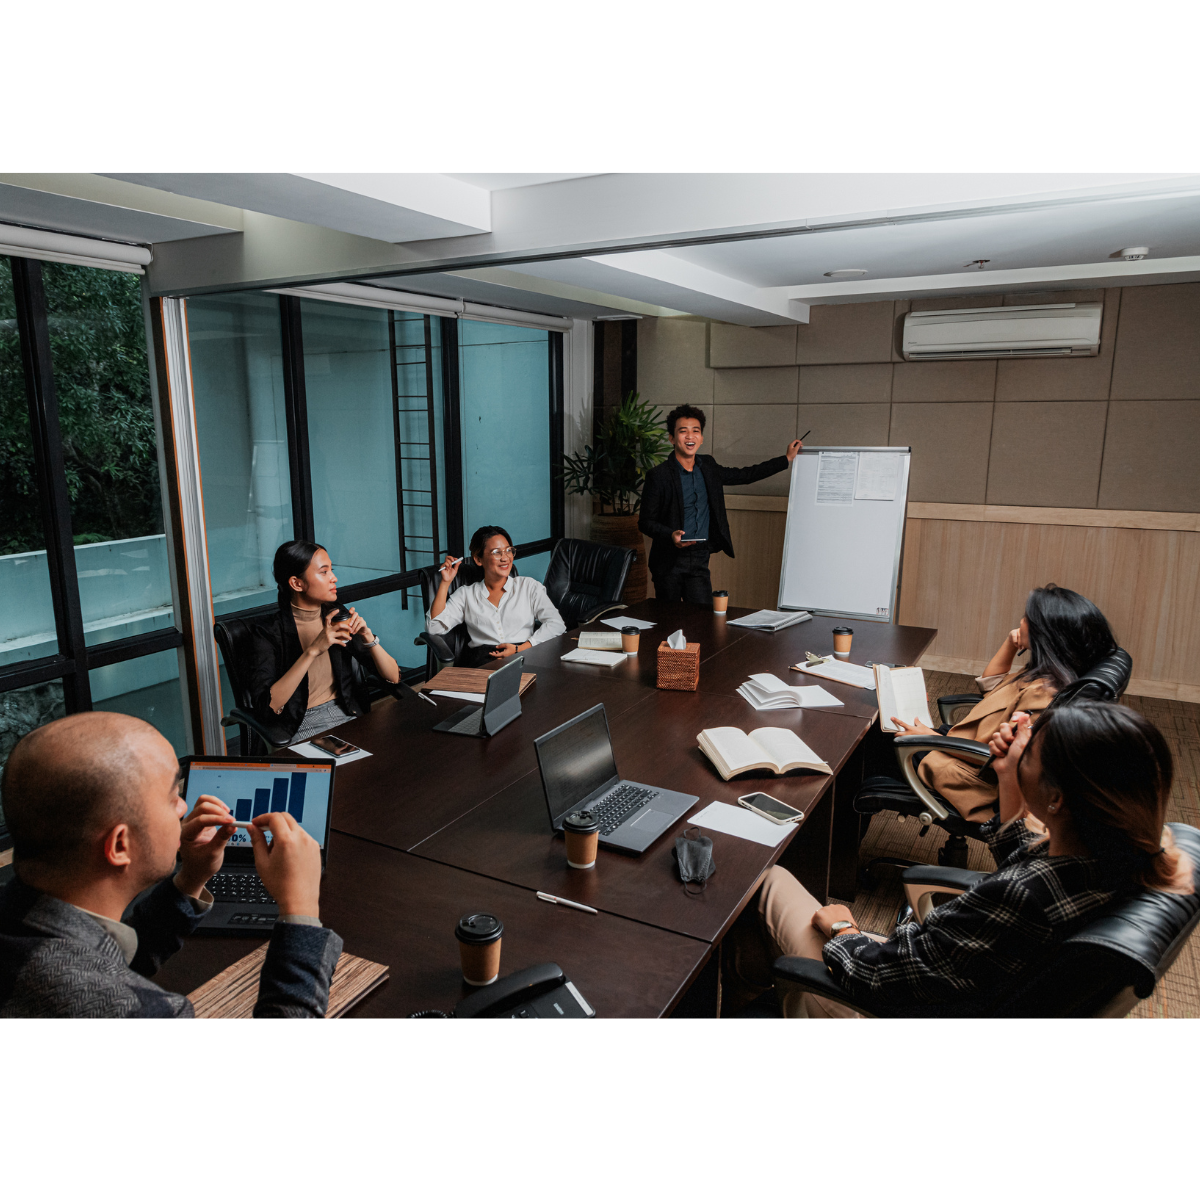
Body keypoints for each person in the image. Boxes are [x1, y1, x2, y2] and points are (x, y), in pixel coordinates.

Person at [727, 700, 1193, 1019]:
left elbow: (877, 975)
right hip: (948, 983)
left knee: (765, 880)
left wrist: (843, 930)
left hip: (882, 998)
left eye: (1032, 751)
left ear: (1057, 801)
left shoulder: (1020, 897)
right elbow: (1026, 863)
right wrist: (1010, 777)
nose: (1020, 747)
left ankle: (750, 998)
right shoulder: (1129, 854)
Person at [0, 712, 341, 1019]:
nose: (183, 808)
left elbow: (104, 960)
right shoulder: (139, 1009)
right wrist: (300, 910)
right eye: (172, 796)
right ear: (120, 845)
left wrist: (191, 877)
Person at [890, 583, 1119, 823]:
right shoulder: (1052, 671)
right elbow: (991, 685)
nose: (1020, 622)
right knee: (890, 727)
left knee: (878, 743)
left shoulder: (1044, 693)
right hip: (964, 746)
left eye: (1026, 618)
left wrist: (930, 737)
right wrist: (1011, 643)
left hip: (974, 775)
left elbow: (1002, 757)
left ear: (1044, 633)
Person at [638, 404, 802, 604]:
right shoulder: (658, 475)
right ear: (672, 438)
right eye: (683, 431)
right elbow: (645, 522)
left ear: (701, 438)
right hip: (668, 560)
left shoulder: (708, 466)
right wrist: (670, 535)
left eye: (695, 431)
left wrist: (786, 459)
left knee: (702, 617)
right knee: (669, 618)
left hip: (700, 556)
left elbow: (745, 475)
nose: (690, 436)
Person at [245, 540, 402, 746]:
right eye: (324, 572)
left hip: (347, 713)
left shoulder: (336, 615)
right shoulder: (266, 633)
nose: (334, 578)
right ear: (297, 584)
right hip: (299, 724)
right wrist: (312, 651)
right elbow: (269, 706)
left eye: (331, 570)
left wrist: (368, 637)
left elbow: (393, 677)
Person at [427, 525, 566, 667]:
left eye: (508, 550)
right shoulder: (466, 594)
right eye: (496, 552)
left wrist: (520, 648)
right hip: (482, 662)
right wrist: (445, 582)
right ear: (478, 559)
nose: (505, 558)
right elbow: (434, 627)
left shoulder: (528, 586)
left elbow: (556, 624)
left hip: (525, 656)